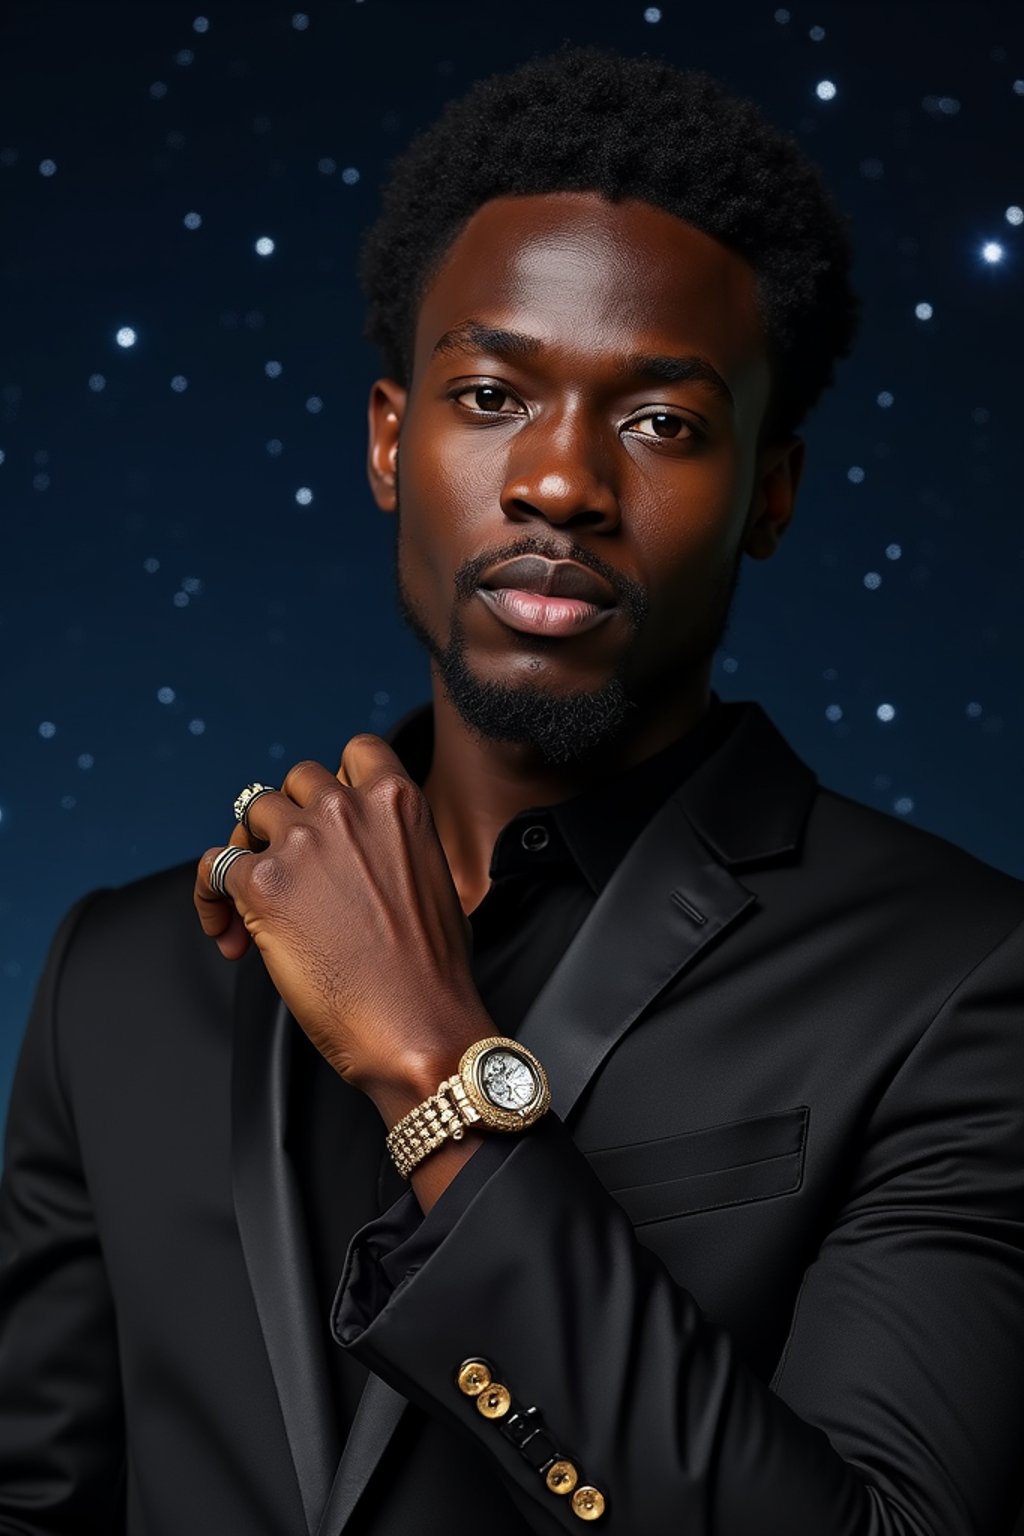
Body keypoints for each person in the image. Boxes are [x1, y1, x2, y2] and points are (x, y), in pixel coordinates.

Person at [2, 41, 1023, 1536]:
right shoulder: (122, 971)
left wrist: (437, 1073)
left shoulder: (962, 982)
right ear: (388, 443)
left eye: (662, 423)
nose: (559, 482)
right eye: (489, 394)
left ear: (775, 495)